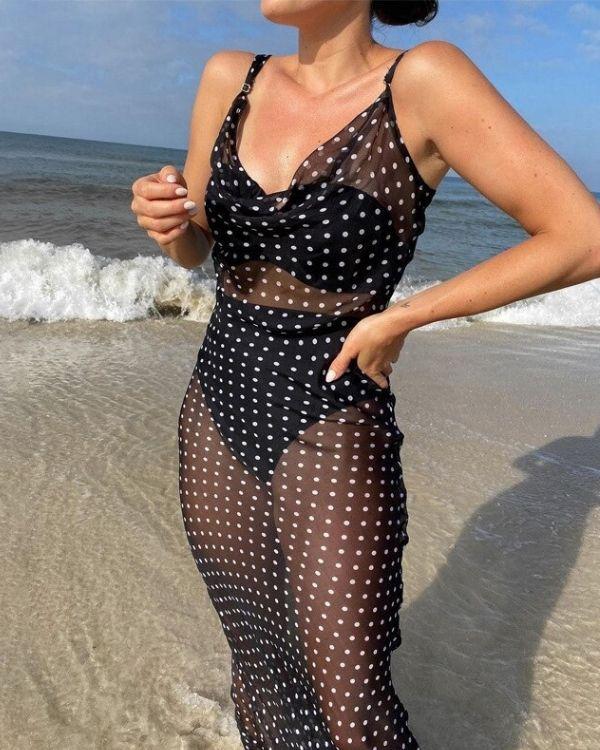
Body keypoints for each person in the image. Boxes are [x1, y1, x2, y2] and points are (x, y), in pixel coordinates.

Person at [130, 1, 600, 746]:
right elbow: (199, 245)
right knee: (261, 671)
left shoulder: (424, 81)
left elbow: (582, 235)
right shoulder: (229, 78)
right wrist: (168, 224)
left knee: (354, 708)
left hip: (333, 420)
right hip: (216, 406)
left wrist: (403, 316)